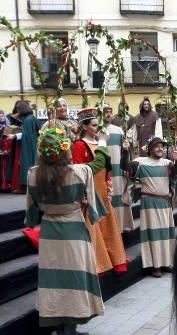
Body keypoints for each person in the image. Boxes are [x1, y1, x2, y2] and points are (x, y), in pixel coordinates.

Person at [26, 127, 104, 335]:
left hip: (49, 230)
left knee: (54, 279)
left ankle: (60, 329)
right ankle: (70, 329)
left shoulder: (33, 174)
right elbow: (93, 203)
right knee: (74, 278)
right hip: (73, 230)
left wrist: (32, 220)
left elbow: (31, 210)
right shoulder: (80, 172)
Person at [72, 107, 128, 276]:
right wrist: (82, 194)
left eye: (98, 124)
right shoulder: (80, 145)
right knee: (94, 227)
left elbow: (107, 167)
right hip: (90, 191)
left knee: (108, 227)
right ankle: (99, 263)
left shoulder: (100, 144)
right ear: (85, 126)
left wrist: (109, 185)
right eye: (95, 125)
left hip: (102, 190)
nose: (97, 128)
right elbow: (79, 171)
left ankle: (113, 259)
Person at [128, 137, 177, 277]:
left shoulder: (167, 163)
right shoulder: (141, 162)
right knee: (153, 236)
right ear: (150, 149)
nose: (160, 149)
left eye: (161, 146)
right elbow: (128, 170)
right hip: (149, 203)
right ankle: (155, 266)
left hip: (164, 203)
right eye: (156, 146)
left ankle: (167, 263)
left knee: (166, 235)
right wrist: (124, 151)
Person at [100, 105, 134, 232]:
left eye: (110, 112)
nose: (108, 114)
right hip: (103, 171)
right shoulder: (98, 131)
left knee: (119, 198)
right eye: (105, 112)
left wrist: (126, 152)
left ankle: (119, 227)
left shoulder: (119, 130)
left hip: (118, 170)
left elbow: (125, 152)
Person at [6, 100, 39, 192]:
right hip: (31, 145)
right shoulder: (30, 118)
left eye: (18, 109)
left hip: (28, 146)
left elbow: (26, 135)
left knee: (25, 164)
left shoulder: (28, 120)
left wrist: (14, 136)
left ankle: (25, 187)